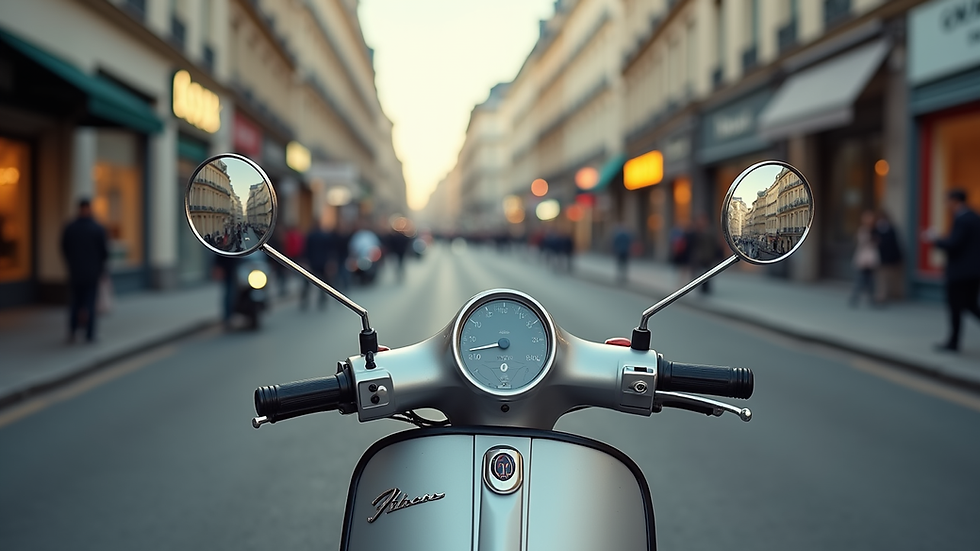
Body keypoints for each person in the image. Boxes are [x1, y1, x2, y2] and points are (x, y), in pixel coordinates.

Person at [925, 189, 980, 352]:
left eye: (947, 201)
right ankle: (953, 341)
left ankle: (953, 342)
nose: (946, 205)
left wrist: (935, 239)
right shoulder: (975, 216)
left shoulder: (962, 219)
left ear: (955, 201)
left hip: (960, 272)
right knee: (970, 304)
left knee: (956, 307)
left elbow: (954, 244)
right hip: (974, 271)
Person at [61, 198, 109, 343]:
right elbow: (104, 252)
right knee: (90, 303)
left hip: (75, 273)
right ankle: (90, 334)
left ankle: (73, 332)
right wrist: (101, 268)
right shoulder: (97, 228)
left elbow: (64, 248)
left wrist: (70, 264)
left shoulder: (70, 227)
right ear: (89, 208)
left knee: (75, 303)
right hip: (92, 274)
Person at [850, 210, 880, 307]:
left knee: (871, 281)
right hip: (863, 258)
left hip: (871, 258)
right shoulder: (863, 230)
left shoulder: (875, 230)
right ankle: (855, 299)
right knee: (860, 280)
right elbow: (863, 242)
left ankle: (871, 299)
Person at [686, 214, 722, 295]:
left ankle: (706, 288)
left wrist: (716, 254)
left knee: (707, 272)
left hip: (708, 255)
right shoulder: (696, 231)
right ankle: (701, 287)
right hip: (699, 256)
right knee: (699, 272)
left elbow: (715, 244)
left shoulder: (710, 231)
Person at [874, 210, 904, 304]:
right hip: (882, 258)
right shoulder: (877, 230)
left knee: (892, 277)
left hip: (891, 258)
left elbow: (895, 244)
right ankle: (881, 296)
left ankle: (892, 295)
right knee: (882, 278)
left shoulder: (891, 229)